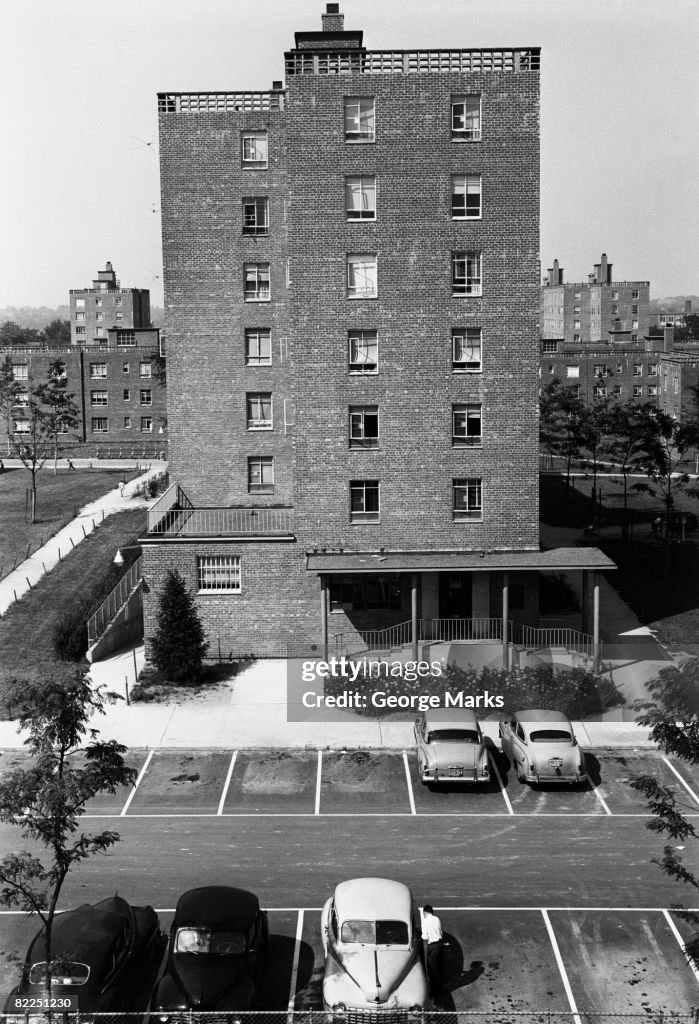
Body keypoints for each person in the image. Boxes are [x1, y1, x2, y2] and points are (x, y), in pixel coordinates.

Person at [420, 904, 444, 996]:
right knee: (438, 966)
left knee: (431, 970)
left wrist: (422, 935)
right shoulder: (437, 919)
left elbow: (425, 936)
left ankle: (435, 991)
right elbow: (440, 931)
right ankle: (438, 987)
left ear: (425, 912)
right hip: (439, 944)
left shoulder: (426, 921)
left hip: (431, 947)